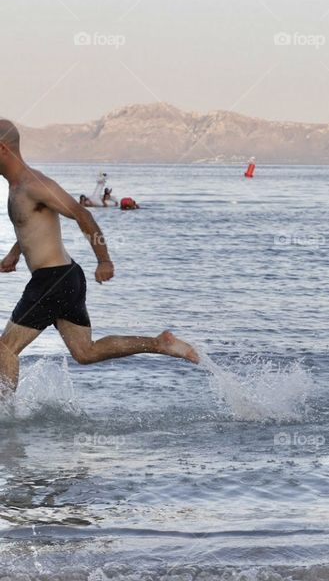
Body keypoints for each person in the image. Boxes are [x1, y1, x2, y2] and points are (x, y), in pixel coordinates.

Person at [0, 119, 199, 399]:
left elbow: (83, 214)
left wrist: (104, 260)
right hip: (64, 278)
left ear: (2, 148)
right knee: (86, 352)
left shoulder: (33, 184)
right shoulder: (18, 186)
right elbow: (31, 226)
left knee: (4, 349)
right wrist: (14, 254)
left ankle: (6, 422)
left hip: (52, 279)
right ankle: (160, 343)